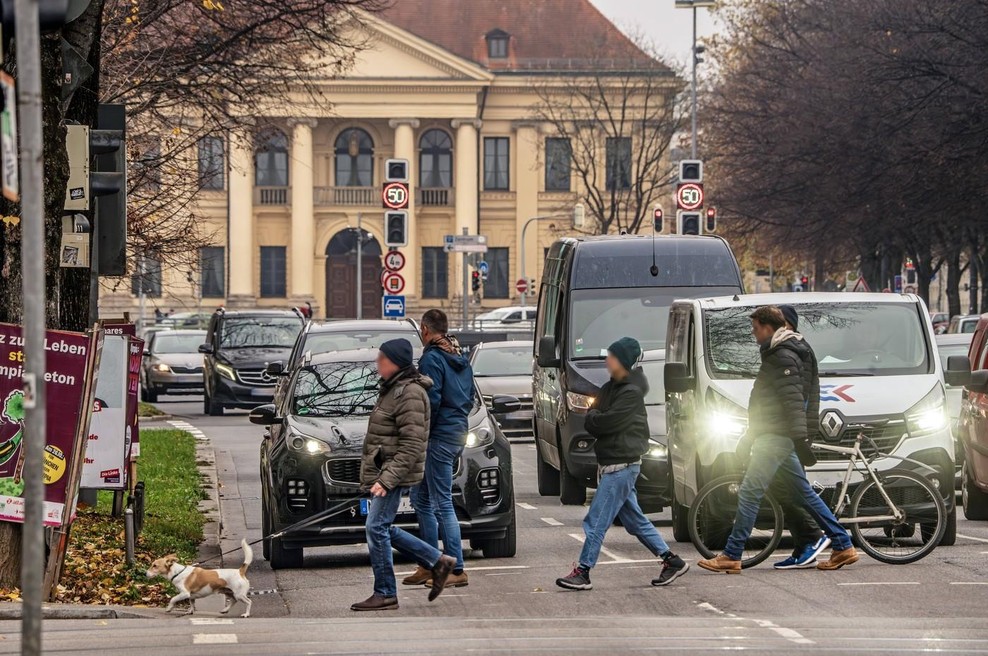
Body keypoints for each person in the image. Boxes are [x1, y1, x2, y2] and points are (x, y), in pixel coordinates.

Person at [699, 306, 857, 574]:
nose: (753, 334)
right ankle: (843, 544)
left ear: (768, 327)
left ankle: (732, 554)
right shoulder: (779, 352)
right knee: (802, 493)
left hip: (774, 436)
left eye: (755, 328)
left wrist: (795, 438)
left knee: (750, 492)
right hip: (776, 435)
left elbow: (793, 401)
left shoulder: (782, 355)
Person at [556, 337, 689, 590]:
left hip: (621, 466)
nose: (607, 360)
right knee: (635, 521)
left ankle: (583, 572)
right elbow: (594, 419)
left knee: (595, 521)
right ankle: (672, 561)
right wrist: (596, 418)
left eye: (612, 356)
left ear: (623, 361)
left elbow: (603, 422)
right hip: (612, 463)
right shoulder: (610, 388)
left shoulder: (631, 394)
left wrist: (596, 417)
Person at [352, 338, 455, 611]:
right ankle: (438, 561)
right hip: (385, 469)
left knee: (376, 527)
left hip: (392, 471)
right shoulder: (393, 389)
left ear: (395, 362)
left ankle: (386, 592)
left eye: (382, 359)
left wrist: (386, 480)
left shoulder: (410, 393)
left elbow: (412, 444)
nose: (377, 363)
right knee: (380, 526)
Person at [403, 310, 474, 589]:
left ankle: (455, 568)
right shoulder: (459, 355)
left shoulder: (432, 358)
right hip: (456, 431)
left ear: (424, 329)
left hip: (438, 437)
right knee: (420, 499)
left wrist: (417, 431)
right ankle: (429, 563)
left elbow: (429, 400)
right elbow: (469, 397)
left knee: (441, 502)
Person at [767, 305, 829, 569]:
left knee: (795, 490)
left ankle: (820, 537)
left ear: (788, 325)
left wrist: (795, 435)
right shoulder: (787, 348)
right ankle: (804, 546)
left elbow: (795, 399)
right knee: (786, 490)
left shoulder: (794, 350)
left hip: (790, 434)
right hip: (789, 432)